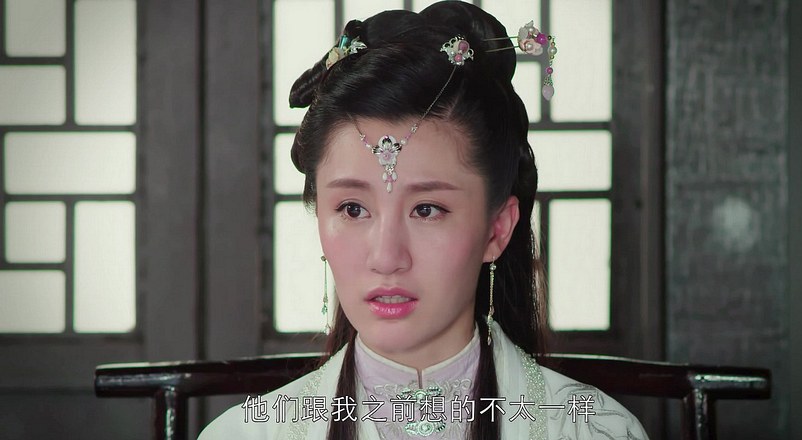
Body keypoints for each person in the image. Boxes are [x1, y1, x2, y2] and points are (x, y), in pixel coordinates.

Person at [199, 1, 648, 439]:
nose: (386, 257)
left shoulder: (594, 429)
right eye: (353, 209)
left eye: (427, 210)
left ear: (498, 228)